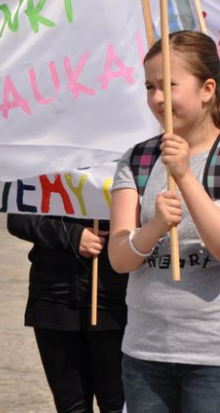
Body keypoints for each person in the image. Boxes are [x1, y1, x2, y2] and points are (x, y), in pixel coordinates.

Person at [109, 30, 220, 412]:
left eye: (168, 85)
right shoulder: (137, 160)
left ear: (207, 88)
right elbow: (120, 258)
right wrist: (154, 226)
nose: (157, 98)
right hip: (146, 352)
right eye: (149, 87)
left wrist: (186, 177)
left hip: (213, 358)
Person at [8, 215, 127, 413]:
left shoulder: (128, 182)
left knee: (116, 403)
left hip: (113, 299)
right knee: (70, 405)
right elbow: (18, 220)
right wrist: (73, 235)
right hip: (53, 296)